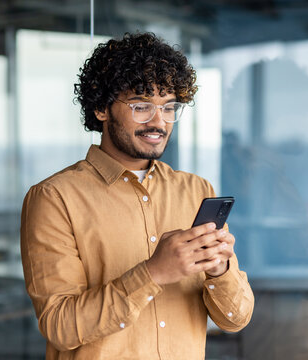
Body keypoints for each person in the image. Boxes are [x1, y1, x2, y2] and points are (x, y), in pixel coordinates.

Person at [20, 32, 254, 359]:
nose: (159, 122)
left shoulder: (197, 190)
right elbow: (61, 326)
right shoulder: (54, 198)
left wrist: (219, 270)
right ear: (101, 107)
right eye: (141, 106)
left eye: (169, 107)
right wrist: (153, 273)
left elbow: (235, 319)